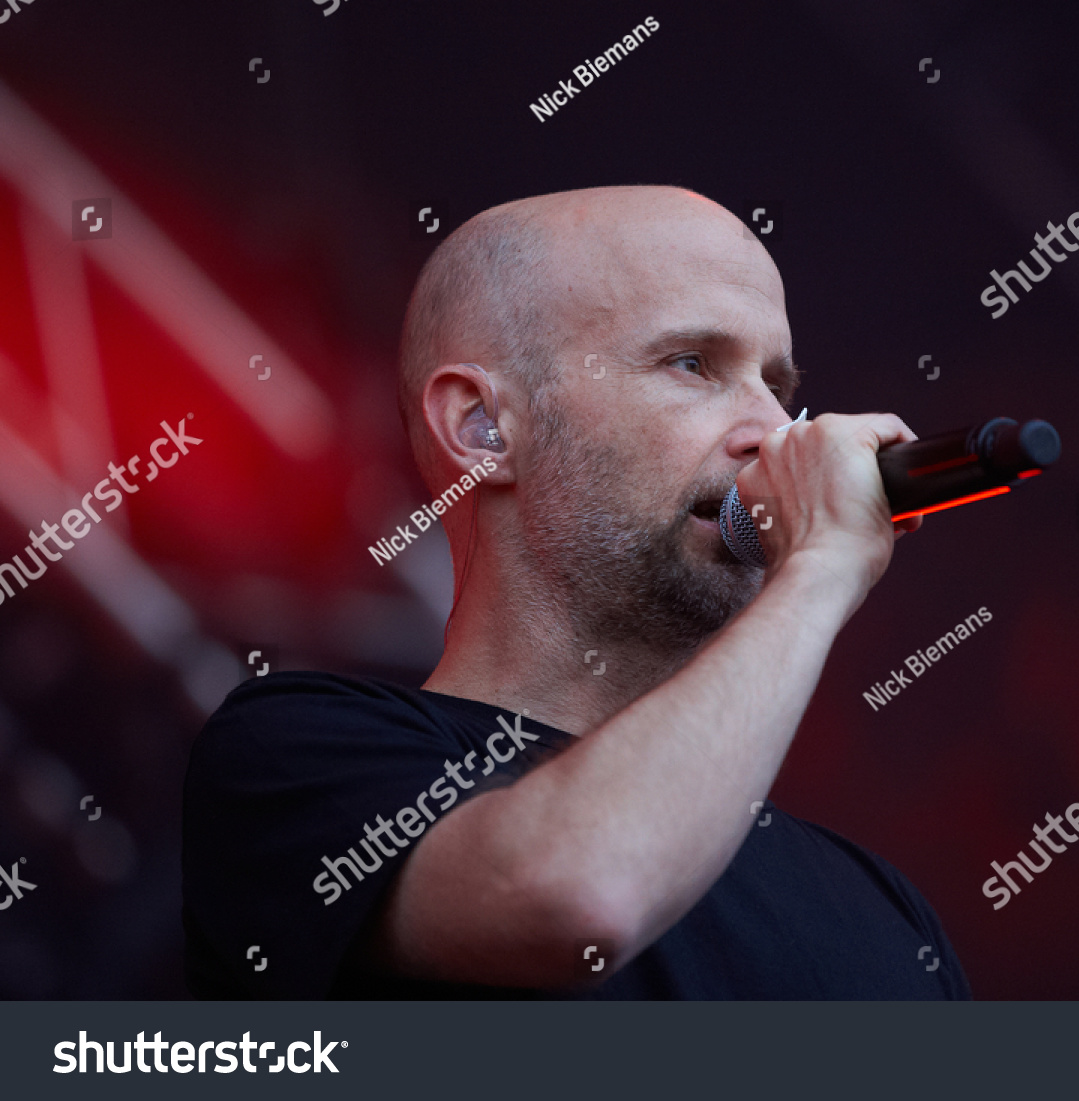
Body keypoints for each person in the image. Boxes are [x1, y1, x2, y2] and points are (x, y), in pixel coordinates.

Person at [182, 185, 969, 998]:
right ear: (484, 426)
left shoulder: (884, 917)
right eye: (693, 364)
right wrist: (823, 564)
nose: (776, 431)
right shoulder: (296, 755)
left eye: (778, 384)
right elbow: (578, 898)